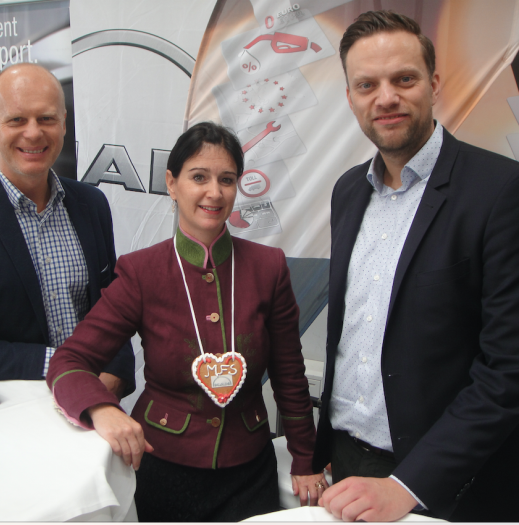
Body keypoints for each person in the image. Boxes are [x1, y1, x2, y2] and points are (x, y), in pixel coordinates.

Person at [47, 121, 322, 522]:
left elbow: (290, 376)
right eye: (199, 177)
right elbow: (68, 362)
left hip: (249, 471)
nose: (215, 192)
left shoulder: (269, 267)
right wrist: (101, 409)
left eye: (226, 179)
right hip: (161, 467)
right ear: (172, 184)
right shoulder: (141, 272)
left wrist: (305, 460)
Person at [312, 10, 519, 522]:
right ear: (350, 97)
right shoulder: (347, 191)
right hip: (347, 461)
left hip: (447, 482)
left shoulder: (500, 192)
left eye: (404, 79)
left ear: (434, 84)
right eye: (367, 85)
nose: (385, 98)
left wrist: (409, 484)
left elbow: (508, 370)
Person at [0, 63, 134, 399]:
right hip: (12, 416)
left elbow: (113, 311)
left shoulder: (91, 205)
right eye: (17, 119)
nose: (33, 133)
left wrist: (114, 377)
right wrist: (61, 364)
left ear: (64, 122)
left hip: (94, 405)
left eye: (46, 118)